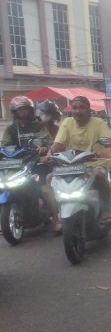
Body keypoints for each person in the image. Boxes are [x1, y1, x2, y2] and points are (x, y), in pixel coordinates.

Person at [48, 96, 111, 225]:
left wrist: (102, 152)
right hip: (71, 165)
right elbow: (58, 144)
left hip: (95, 163)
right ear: (71, 110)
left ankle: (107, 208)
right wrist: (49, 153)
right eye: (75, 108)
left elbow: (109, 146)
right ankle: (56, 216)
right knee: (50, 179)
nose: (78, 111)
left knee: (99, 174)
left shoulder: (99, 123)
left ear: (89, 110)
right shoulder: (67, 122)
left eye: (82, 108)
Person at [2, 96, 57, 231]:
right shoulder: (11, 129)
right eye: (20, 110)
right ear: (14, 112)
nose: (23, 112)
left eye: (25, 109)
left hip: (37, 163)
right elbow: (5, 145)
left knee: (45, 190)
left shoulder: (38, 126)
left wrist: (44, 148)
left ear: (30, 110)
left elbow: (48, 142)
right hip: (17, 165)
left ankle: (57, 219)